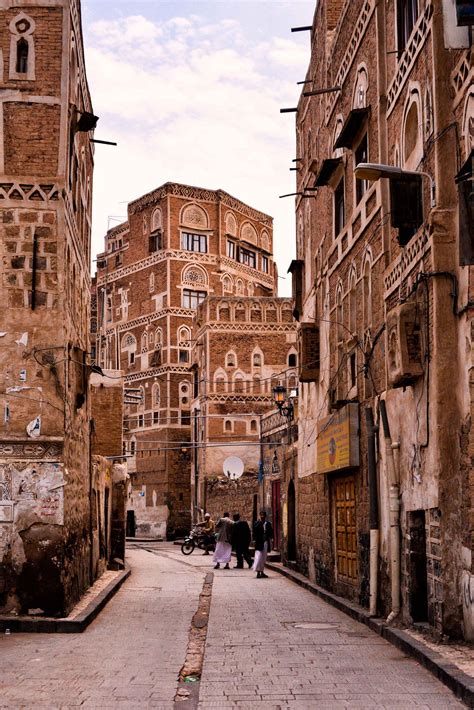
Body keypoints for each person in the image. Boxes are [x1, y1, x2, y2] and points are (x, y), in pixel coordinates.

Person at [252, 510, 273, 579]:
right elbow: (254, 531)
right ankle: (258, 571)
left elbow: (270, 532)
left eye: (263, 515)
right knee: (258, 557)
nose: (262, 516)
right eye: (261, 515)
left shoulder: (268, 524)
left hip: (265, 542)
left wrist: (271, 538)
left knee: (264, 557)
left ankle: (262, 571)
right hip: (259, 542)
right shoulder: (257, 523)